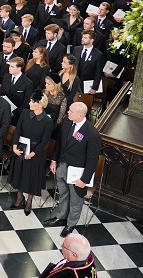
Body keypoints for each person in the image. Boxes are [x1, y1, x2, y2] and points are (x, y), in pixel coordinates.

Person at [45, 101, 101, 237]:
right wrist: (53, 160)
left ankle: (70, 224)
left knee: (76, 200)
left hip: (77, 173)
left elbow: (92, 160)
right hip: (62, 166)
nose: (67, 112)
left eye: (71, 111)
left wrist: (84, 180)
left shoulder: (92, 134)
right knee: (63, 194)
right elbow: (59, 143)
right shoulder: (67, 123)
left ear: (80, 115)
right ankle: (61, 217)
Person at [9, 90, 53, 216]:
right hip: (22, 148)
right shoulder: (24, 113)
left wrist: (32, 154)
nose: (29, 103)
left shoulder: (47, 121)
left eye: (32, 101)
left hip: (35, 153)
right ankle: (19, 197)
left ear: (39, 104)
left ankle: (29, 200)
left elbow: (44, 141)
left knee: (32, 178)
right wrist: (14, 146)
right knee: (20, 174)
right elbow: (18, 131)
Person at [2, 57, 34, 124]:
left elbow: (26, 103)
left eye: (12, 66)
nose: (9, 68)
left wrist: (13, 113)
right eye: (9, 66)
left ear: (19, 68)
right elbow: (2, 93)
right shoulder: (6, 77)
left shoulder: (27, 83)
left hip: (16, 117)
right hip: (2, 112)